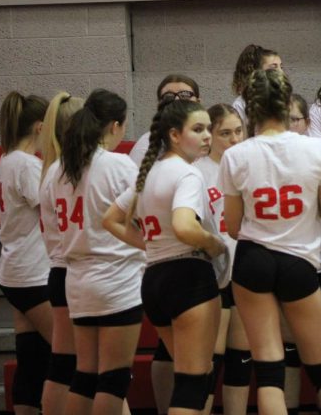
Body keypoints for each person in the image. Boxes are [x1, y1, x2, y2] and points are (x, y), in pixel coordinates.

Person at [219, 69, 321, 415]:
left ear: (251, 110)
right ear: (286, 104)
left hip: (252, 259)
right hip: (298, 261)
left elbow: (232, 227)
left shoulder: (236, 155)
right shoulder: (315, 149)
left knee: (268, 371)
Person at [105, 98, 227, 415]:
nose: (207, 137)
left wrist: (150, 244)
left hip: (155, 279)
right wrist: (215, 244)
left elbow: (110, 219)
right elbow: (184, 226)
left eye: (208, 130)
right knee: (192, 383)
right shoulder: (187, 174)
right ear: (174, 135)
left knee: (196, 377)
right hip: (188, 277)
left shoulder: (149, 173)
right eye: (197, 129)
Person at [54, 89, 142, 415]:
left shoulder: (59, 168)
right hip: (116, 278)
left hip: (77, 279)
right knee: (113, 379)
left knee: (85, 376)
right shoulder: (118, 165)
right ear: (116, 125)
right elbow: (142, 215)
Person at [126, 73, 201, 414]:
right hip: (180, 262)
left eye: (185, 93)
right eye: (169, 96)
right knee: (192, 369)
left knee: (195, 364)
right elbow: (125, 210)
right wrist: (210, 243)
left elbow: (111, 217)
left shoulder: (207, 137)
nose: (178, 98)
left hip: (169, 268)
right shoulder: (149, 147)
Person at [0, 92, 52, 415]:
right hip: (33, 274)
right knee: (70, 354)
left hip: (15, 272)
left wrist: (12, 225)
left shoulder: (7, 159)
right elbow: (52, 211)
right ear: (40, 126)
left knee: (31, 358)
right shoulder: (27, 165)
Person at [194, 104, 250, 415]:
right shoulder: (198, 171)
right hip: (211, 273)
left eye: (238, 131)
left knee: (241, 357)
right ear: (210, 136)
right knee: (209, 360)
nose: (233, 139)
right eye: (224, 133)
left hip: (245, 268)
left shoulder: (248, 166)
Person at [37, 91, 85, 415]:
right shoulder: (73, 170)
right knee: (99, 369)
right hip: (75, 271)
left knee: (63, 364)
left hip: (59, 271)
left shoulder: (50, 171)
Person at [129, 74, 201, 166]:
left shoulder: (213, 139)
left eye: (185, 95)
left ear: (198, 102)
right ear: (159, 105)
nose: (177, 100)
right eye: (168, 96)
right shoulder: (146, 144)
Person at [230, 44, 283, 133]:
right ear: (258, 72)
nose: (281, 72)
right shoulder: (240, 105)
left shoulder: (283, 99)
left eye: (281, 67)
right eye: (274, 67)